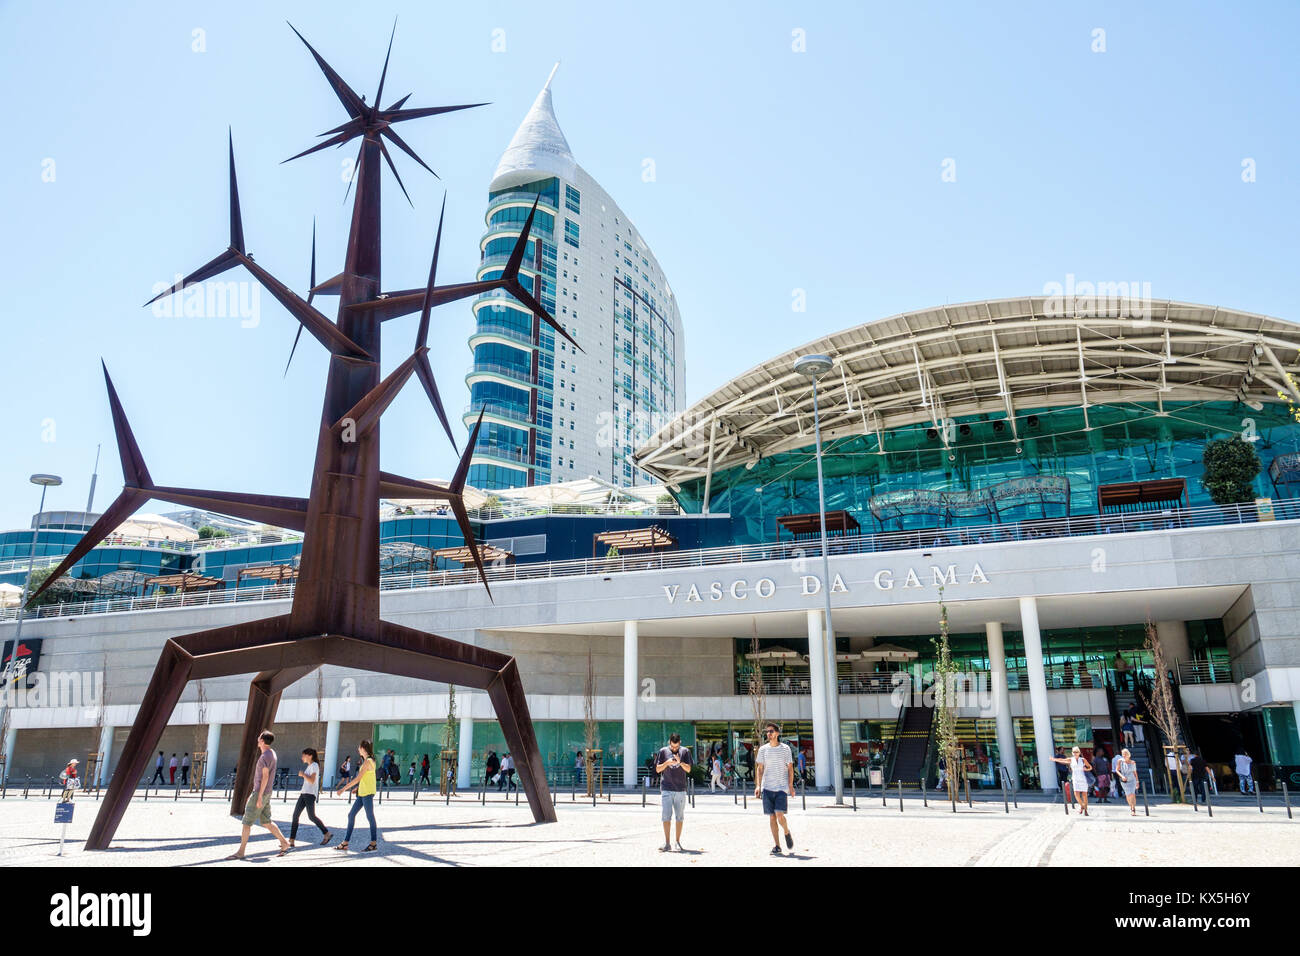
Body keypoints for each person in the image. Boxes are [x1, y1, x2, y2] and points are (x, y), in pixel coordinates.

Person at [226, 730, 290, 860]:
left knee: (247, 822)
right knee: (266, 821)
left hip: (260, 793)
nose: (257, 739)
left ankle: (241, 852)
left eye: (259, 737)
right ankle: (284, 842)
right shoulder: (272, 753)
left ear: (262, 741)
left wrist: (259, 796)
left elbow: (265, 777)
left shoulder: (265, 756)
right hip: (266, 793)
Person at [754, 722, 795, 855]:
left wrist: (790, 786)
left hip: (781, 787)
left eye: (771, 731)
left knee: (779, 815)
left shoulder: (785, 749)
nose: (769, 734)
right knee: (772, 817)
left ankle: (786, 831)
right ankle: (777, 845)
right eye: (767, 731)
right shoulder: (763, 749)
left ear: (777, 733)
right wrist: (758, 785)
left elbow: (790, 768)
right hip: (767, 788)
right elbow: (760, 768)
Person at [335, 740, 378, 853]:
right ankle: (345, 843)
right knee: (351, 815)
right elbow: (367, 778)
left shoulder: (368, 762)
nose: (358, 749)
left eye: (359, 747)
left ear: (363, 748)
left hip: (367, 793)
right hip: (363, 793)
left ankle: (373, 843)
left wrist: (343, 789)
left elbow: (358, 778)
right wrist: (358, 788)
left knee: (370, 817)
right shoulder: (368, 761)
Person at [655, 733, 692, 851]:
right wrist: (667, 763)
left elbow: (689, 769)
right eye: (672, 747)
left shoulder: (685, 751)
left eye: (676, 747)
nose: (674, 749)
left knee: (679, 817)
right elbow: (657, 769)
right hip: (666, 788)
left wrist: (680, 762)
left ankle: (677, 842)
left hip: (680, 789)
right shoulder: (663, 751)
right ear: (669, 743)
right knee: (666, 816)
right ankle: (667, 843)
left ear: (680, 742)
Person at [289, 748, 332, 848]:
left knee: (311, 816)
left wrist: (303, 774)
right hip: (304, 793)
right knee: (295, 815)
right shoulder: (310, 766)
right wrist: (304, 775)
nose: (302, 757)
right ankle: (291, 840)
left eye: (303, 755)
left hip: (309, 794)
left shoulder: (314, 766)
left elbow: (312, 780)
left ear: (309, 755)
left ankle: (327, 833)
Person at [1050, 746, 1093, 815]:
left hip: (1083, 779)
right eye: (1074, 752)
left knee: (1084, 796)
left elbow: (1090, 767)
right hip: (1075, 779)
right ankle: (1082, 806)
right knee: (1076, 794)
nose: (1075, 753)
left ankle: (1086, 810)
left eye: (1077, 752)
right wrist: (1054, 759)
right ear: (1072, 753)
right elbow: (1062, 760)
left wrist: (1086, 769)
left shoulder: (1082, 760)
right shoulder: (1071, 759)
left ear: (1079, 753)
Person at [1114, 748, 1140, 816]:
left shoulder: (1133, 762)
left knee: (1132, 794)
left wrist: (1137, 781)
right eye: (1123, 755)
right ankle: (1131, 806)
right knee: (1128, 795)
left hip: (1132, 780)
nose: (1124, 756)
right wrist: (1122, 776)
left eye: (1125, 754)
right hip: (1124, 781)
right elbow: (1116, 770)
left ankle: (1133, 809)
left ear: (1129, 755)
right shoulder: (1120, 761)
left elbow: (1135, 772)